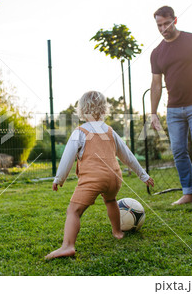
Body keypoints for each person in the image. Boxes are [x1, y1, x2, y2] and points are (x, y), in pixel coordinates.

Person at [45, 91, 154, 259]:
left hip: (93, 179)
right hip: (114, 178)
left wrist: (59, 178)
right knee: (111, 201)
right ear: (104, 109)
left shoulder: (80, 131)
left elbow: (68, 157)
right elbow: (128, 156)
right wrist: (143, 175)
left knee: (73, 211)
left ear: (81, 110)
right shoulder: (110, 131)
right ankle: (117, 232)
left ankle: (67, 246)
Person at [150, 6, 192, 209]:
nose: (163, 28)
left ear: (175, 20)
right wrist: (153, 112)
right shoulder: (156, 53)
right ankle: (189, 193)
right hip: (173, 109)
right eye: (159, 25)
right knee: (178, 151)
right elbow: (156, 84)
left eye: (166, 23)